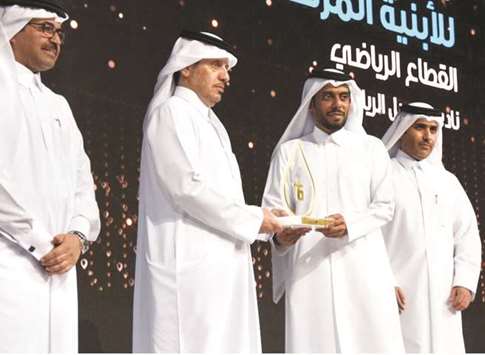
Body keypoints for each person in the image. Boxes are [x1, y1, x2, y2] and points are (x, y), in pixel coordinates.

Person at [132, 30, 283, 353]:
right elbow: (186, 188)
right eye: (215, 65)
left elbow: (225, 200)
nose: (225, 76)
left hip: (222, 270)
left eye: (227, 69)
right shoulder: (170, 112)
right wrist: (257, 219)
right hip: (188, 269)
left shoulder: (214, 125)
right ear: (186, 67)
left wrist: (266, 225)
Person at [262, 68, 404, 352]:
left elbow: (385, 206)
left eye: (343, 97)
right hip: (308, 272)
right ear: (311, 104)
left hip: (363, 267)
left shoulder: (371, 148)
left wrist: (350, 224)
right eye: (328, 97)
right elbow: (272, 211)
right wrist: (280, 239)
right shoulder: (289, 152)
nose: (338, 104)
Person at [0, 0, 100, 352]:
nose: (55, 38)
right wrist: (40, 242)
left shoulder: (59, 105)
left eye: (58, 32)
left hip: (59, 271)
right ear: (12, 32)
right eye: (44, 28)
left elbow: (82, 183)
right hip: (10, 264)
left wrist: (77, 237)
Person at [381, 102, 481, 353]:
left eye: (434, 129)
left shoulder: (448, 182)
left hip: (444, 301)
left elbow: (467, 235)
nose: (428, 137)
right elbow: (369, 238)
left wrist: (465, 282)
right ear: (402, 130)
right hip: (399, 298)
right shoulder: (384, 176)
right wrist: (383, 282)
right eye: (420, 128)